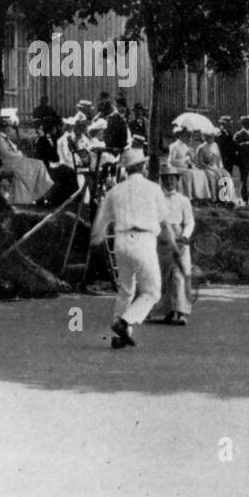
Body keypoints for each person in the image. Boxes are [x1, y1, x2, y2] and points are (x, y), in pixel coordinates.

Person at [91, 148, 181, 349]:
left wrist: (96, 238)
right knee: (152, 292)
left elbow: (101, 221)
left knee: (126, 289)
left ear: (126, 169)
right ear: (143, 166)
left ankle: (122, 333)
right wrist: (174, 245)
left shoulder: (115, 191)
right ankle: (124, 322)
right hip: (143, 240)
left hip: (121, 241)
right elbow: (165, 222)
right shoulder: (153, 189)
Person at [150, 164, 195, 326]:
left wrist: (185, 235)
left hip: (179, 240)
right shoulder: (157, 200)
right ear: (162, 181)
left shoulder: (184, 201)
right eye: (166, 179)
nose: (169, 182)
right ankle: (166, 310)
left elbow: (189, 222)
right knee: (163, 276)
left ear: (177, 180)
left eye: (172, 179)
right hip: (162, 239)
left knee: (179, 276)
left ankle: (181, 312)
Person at [0, 109, 54, 205]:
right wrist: (20, 156)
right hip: (8, 165)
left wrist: (20, 155)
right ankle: (41, 195)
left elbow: (15, 151)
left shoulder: (6, 138)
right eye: (8, 127)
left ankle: (40, 195)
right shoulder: (0, 139)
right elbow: (7, 154)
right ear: (4, 127)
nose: (9, 129)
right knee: (38, 165)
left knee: (38, 165)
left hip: (14, 162)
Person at [168, 126, 210, 200]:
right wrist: (185, 160)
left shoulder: (185, 146)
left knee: (200, 172)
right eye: (184, 135)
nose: (186, 137)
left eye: (186, 135)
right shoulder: (174, 146)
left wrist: (190, 159)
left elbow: (190, 160)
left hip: (184, 167)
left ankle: (202, 196)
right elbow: (171, 161)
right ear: (179, 136)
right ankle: (190, 196)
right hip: (176, 167)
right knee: (189, 173)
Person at [196, 127, 234, 204]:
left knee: (226, 174)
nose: (212, 138)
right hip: (206, 168)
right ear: (205, 137)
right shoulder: (201, 148)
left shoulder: (215, 145)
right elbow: (199, 163)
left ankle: (227, 198)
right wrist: (209, 166)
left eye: (213, 137)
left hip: (216, 167)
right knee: (214, 176)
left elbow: (219, 158)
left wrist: (220, 166)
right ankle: (215, 199)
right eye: (209, 137)